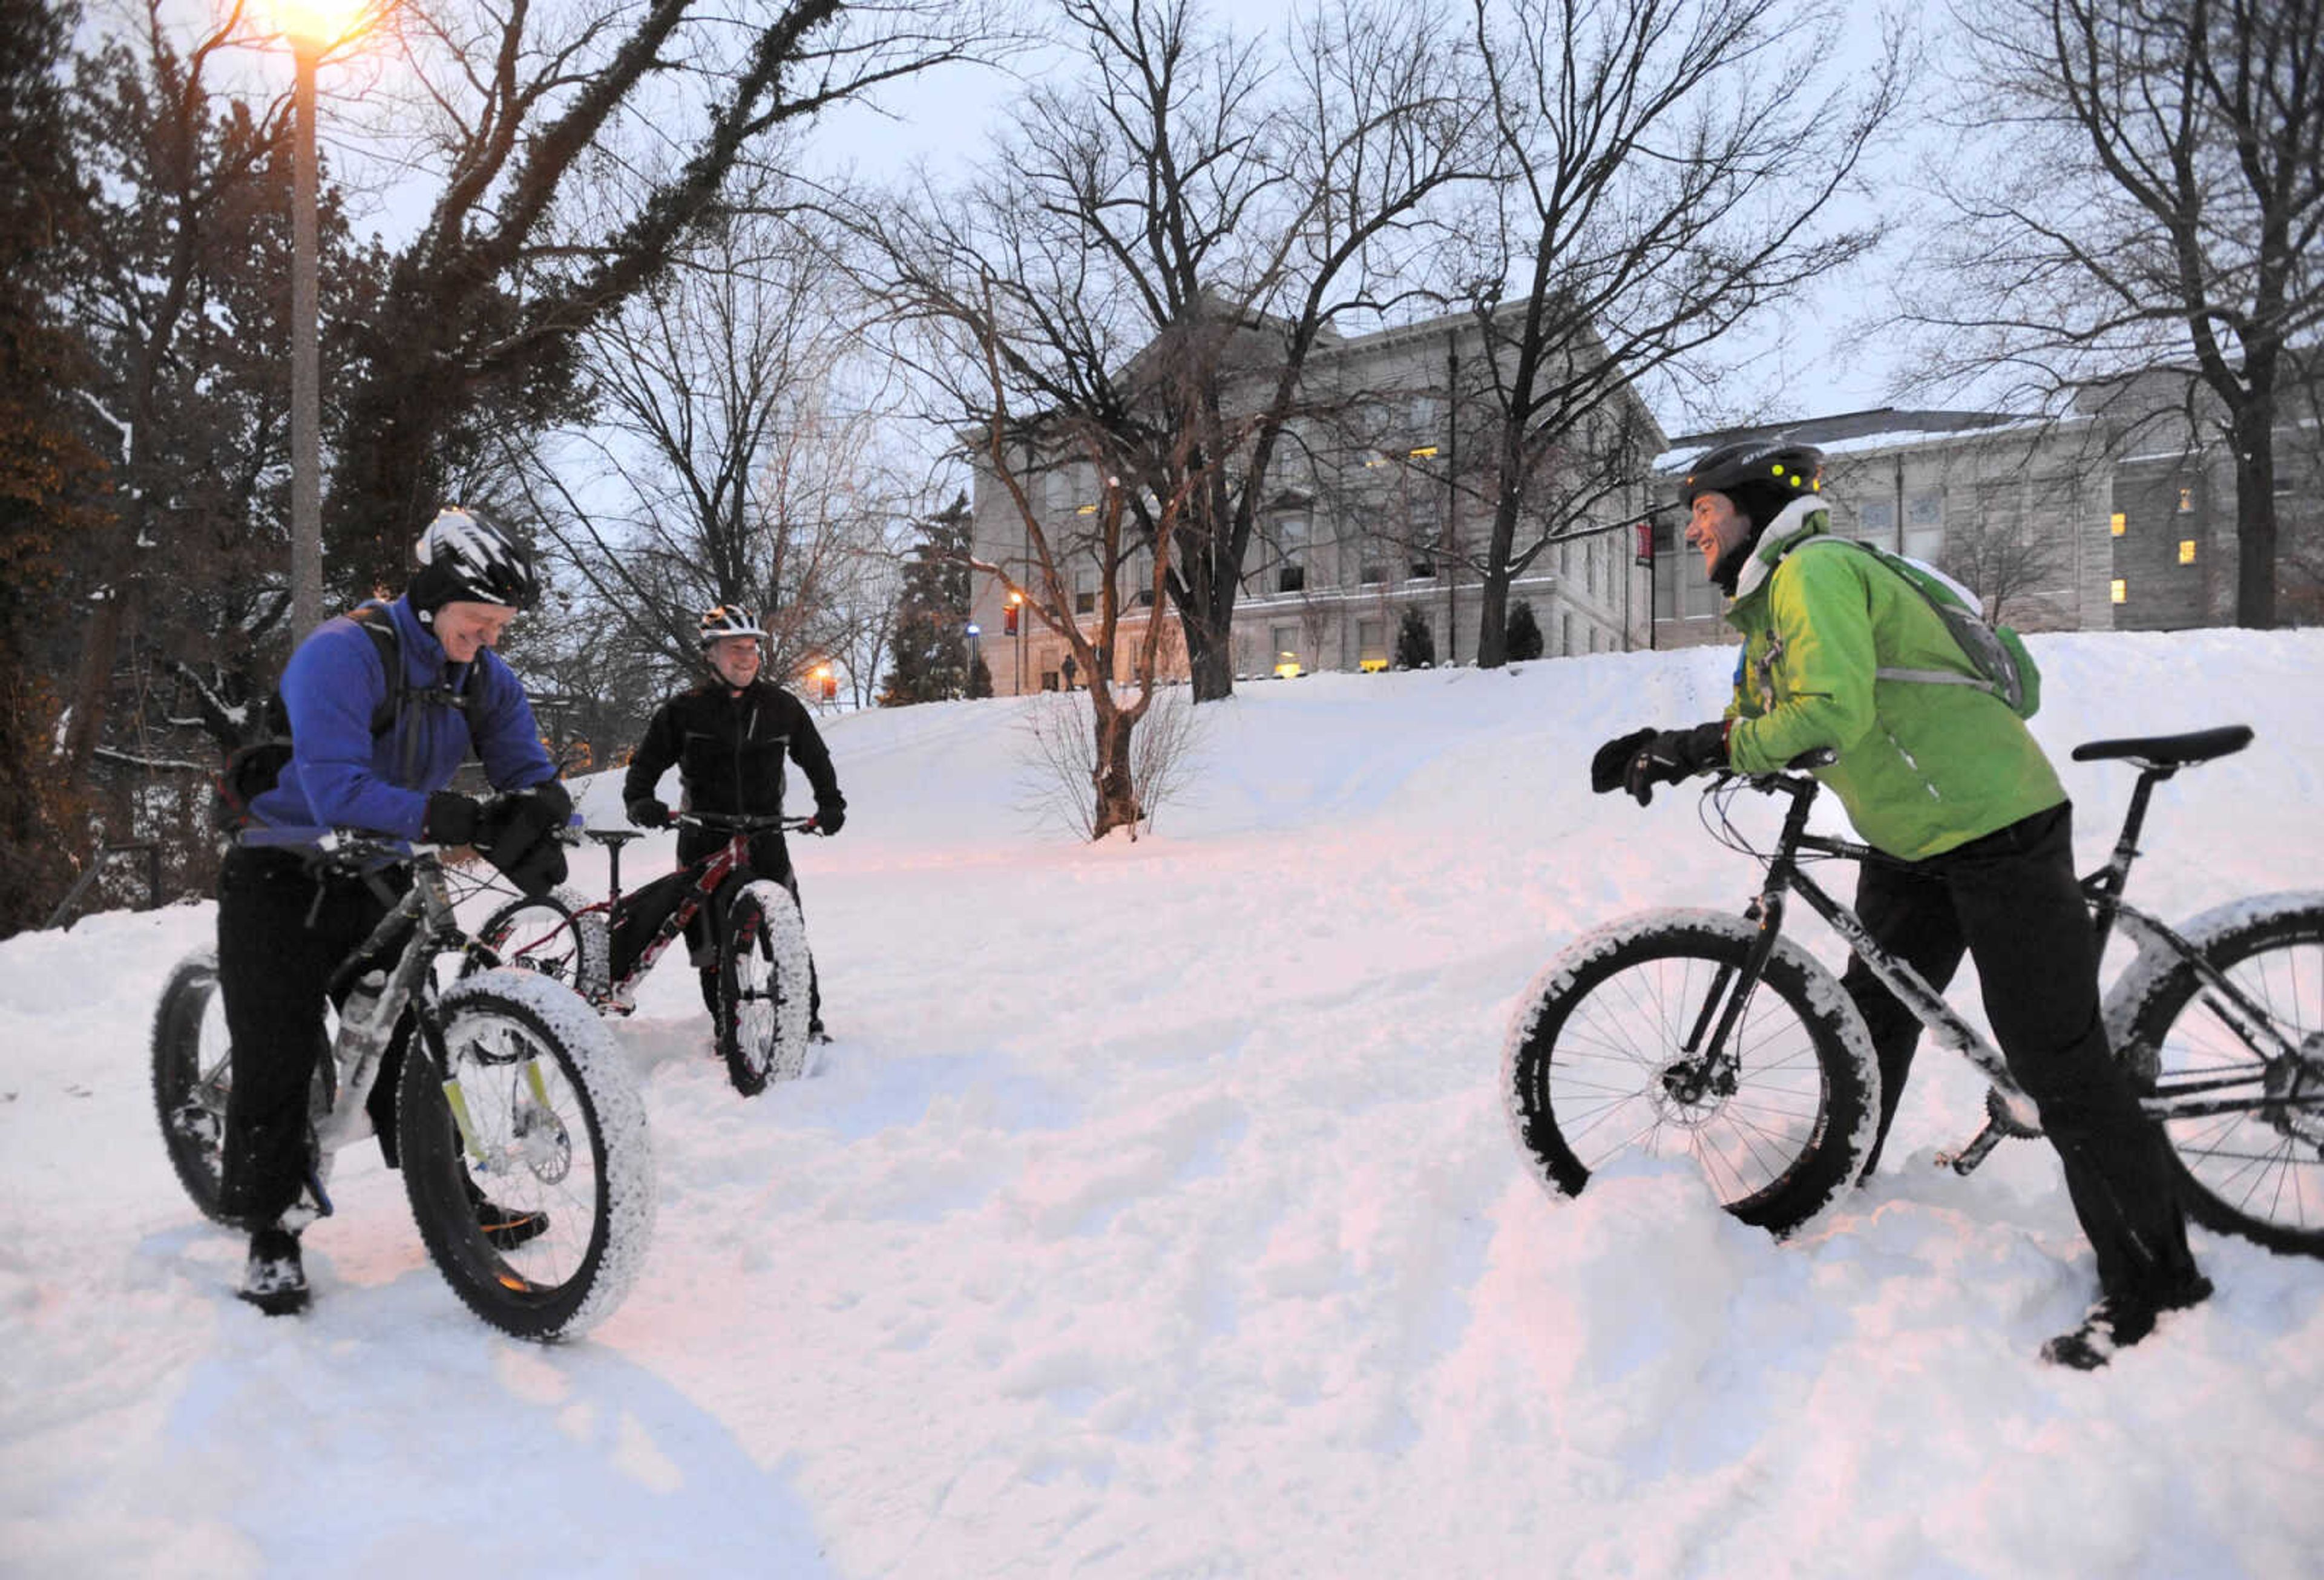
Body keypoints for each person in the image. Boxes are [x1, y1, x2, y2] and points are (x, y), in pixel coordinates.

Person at [1589, 439, 2208, 1370]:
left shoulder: (1818, 572)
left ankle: (2159, 1286)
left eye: (1706, 510)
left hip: (1995, 825)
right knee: (1872, 1009)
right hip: (1916, 835)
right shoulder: (1771, 603)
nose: (1693, 527)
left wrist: (1700, 745)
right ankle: (1837, 1172)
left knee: (2058, 1061)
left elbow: (1827, 712)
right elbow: (1784, 714)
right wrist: (1695, 745)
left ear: (1754, 509)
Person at [217, 507, 573, 1316]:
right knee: (276, 1048)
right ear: (432, 597)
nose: (486, 637)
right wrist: (453, 816)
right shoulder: (344, 654)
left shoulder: (482, 674)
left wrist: (539, 811)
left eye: (500, 625)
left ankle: (452, 1194)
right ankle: (271, 1228)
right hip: (284, 868)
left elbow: (524, 765)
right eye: (476, 620)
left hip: (376, 873)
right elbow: (339, 788)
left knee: (415, 1044)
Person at [622, 605, 845, 1033]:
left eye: (752, 648)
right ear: (711, 654)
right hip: (705, 836)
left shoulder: (781, 706)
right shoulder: (684, 710)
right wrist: (639, 800)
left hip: (765, 835)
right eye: (734, 649)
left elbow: (815, 758)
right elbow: (645, 765)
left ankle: (805, 1020)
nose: (746, 657)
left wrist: (831, 802)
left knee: (786, 932)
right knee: (709, 940)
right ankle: (728, 1022)